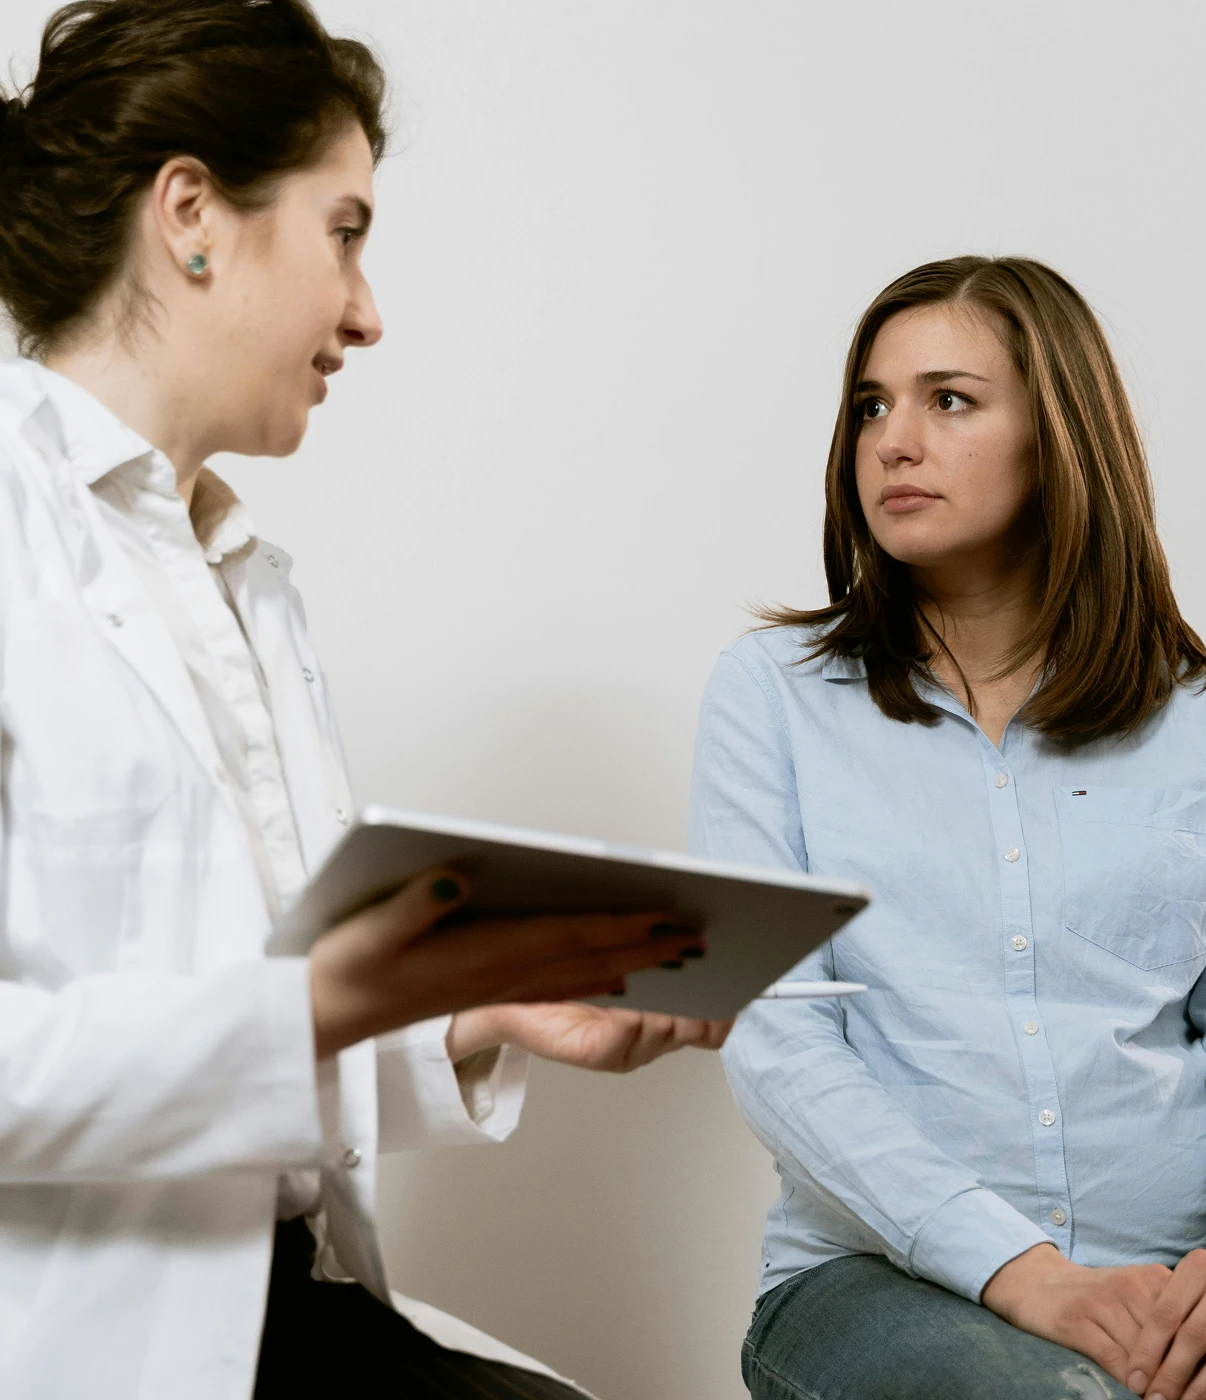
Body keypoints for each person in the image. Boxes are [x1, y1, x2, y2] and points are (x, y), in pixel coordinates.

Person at [0, 3, 728, 1397]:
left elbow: (267, 1066)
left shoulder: (246, 583)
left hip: (287, 1311)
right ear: (193, 214)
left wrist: (479, 1010)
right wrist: (321, 1001)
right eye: (346, 231)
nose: (369, 313)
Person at [690, 255, 1206, 1400]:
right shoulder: (772, 695)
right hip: (880, 1282)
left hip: (1186, 1271)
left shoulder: (1202, 718)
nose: (893, 440)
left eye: (948, 399)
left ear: (1060, 433)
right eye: (871, 405)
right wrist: (1027, 1272)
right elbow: (776, 1040)